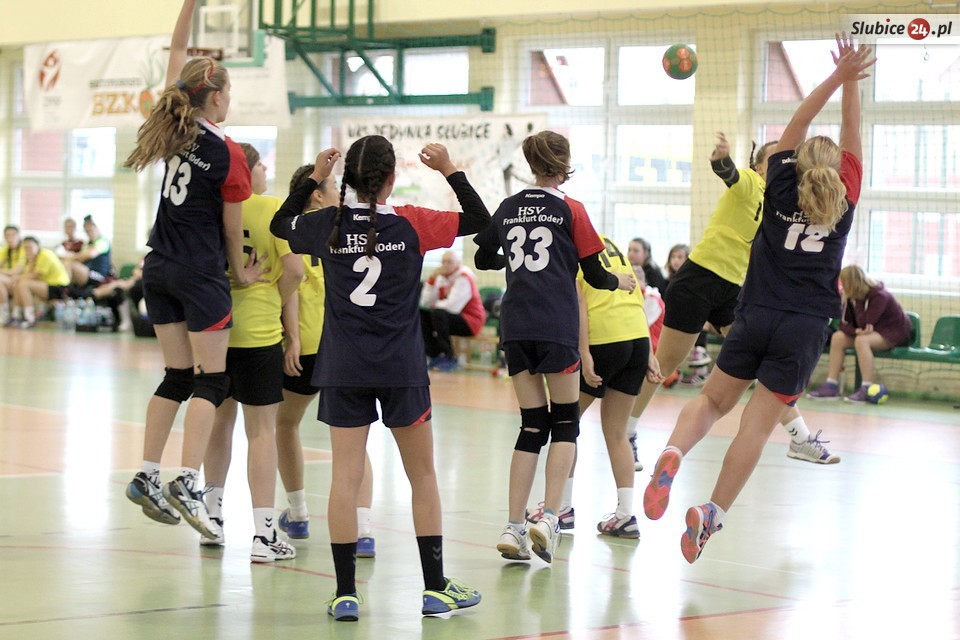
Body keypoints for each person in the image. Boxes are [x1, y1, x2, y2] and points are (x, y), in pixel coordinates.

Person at [642, 36, 874, 564]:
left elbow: (800, 119)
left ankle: (673, 451)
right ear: (839, 171)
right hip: (805, 324)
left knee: (711, 402)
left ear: (793, 162)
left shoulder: (779, 183)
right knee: (755, 426)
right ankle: (711, 513)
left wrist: (839, 78)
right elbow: (853, 132)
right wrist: (854, 88)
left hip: (756, 312)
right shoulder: (845, 196)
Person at [271, 137, 487, 621]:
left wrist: (313, 177)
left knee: (345, 477)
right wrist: (449, 169)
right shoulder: (412, 222)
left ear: (346, 179)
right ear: (391, 178)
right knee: (422, 475)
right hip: (401, 368)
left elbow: (280, 224)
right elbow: (479, 219)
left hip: (344, 368)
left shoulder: (326, 223)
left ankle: (346, 593)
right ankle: (435, 589)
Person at [122, 0, 261, 540]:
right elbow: (231, 230)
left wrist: (189, 6)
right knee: (213, 380)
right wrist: (241, 275)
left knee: (176, 376)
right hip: (200, 275)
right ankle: (185, 479)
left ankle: (146, 473)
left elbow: (176, 51)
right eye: (230, 93)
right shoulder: (229, 154)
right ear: (218, 97)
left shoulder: (171, 126)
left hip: (157, 266)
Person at [627, 130, 840, 467]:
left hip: (734, 291)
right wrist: (722, 160)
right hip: (699, 279)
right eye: (777, 157)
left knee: (758, 362)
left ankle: (800, 438)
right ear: (759, 165)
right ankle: (627, 432)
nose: (785, 163)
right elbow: (730, 175)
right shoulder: (751, 183)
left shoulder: (783, 201)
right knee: (665, 364)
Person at [473, 130, 635, 565]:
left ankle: (513, 526)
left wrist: (513, 259)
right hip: (556, 324)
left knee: (531, 425)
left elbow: (483, 258)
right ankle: (548, 518)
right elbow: (595, 274)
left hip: (516, 324)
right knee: (565, 422)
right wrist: (619, 281)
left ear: (530, 164)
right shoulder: (571, 209)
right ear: (564, 164)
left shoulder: (509, 206)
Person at [200, 143, 300, 562]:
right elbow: (295, 270)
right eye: (260, 166)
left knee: (219, 424)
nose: (264, 174)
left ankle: (211, 519)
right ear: (249, 170)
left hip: (215, 327)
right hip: (259, 331)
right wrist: (275, 297)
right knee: (260, 432)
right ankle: (263, 535)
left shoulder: (209, 208)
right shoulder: (271, 208)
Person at [273, 164, 378, 558]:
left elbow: (292, 283)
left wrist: (292, 336)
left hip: (307, 345)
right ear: (316, 193)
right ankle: (363, 530)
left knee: (285, 423)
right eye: (334, 185)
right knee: (354, 437)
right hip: (344, 345)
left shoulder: (295, 230)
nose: (340, 192)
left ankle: (298, 513)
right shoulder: (349, 228)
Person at [527, 235, 662, 539]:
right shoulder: (608, 244)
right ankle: (625, 515)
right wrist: (648, 351)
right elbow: (634, 295)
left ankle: (561, 508)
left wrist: (584, 352)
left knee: (566, 423)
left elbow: (579, 302)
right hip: (636, 338)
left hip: (604, 338)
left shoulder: (569, 247)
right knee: (617, 432)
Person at [807, 264, 912, 403]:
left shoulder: (879, 296)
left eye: (845, 284)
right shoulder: (852, 296)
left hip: (895, 332)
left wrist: (853, 302)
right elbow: (843, 325)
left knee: (861, 341)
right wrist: (855, 329)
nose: (842, 288)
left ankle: (866, 387)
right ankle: (831, 385)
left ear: (853, 284)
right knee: (838, 338)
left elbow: (866, 321)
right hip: (872, 332)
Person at [419, 249, 486, 371]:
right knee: (421, 313)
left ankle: (450, 357)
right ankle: (434, 354)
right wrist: (431, 280)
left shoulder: (464, 278)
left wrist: (434, 305)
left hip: (471, 322)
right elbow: (425, 302)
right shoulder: (440, 278)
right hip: (447, 318)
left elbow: (453, 307)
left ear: (457, 263)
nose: (445, 265)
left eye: (449, 262)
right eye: (443, 262)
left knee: (438, 313)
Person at [8, 237, 70, 329]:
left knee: (23, 284)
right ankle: (16, 315)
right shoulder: (33, 258)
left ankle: (29, 318)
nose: (27, 250)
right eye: (25, 248)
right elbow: (28, 274)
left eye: (30, 247)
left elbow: (35, 275)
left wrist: (17, 277)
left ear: (38, 246)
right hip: (48, 286)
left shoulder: (45, 255)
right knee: (19, 283)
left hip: (60, 288)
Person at [61, 215, 112, 289]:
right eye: (87, 231)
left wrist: (71, 257)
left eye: (90, 230)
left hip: (99, 275)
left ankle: (64, 289)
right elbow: (80, 258)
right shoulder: (87, 244)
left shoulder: (103, 241)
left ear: (96, 228)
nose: (89, 232)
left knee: (71, 264)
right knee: (66, 263)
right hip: (87, 271)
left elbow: (90, 254)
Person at [0, 225, 28, 325]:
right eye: (7, 235)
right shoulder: (5, 250)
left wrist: (2, 271)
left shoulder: (24, 249)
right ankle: (5, 313)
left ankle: (4, 314)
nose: (10, 238)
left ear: (18, 235)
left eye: (13, 235)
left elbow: (16, 271)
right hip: (8, 280)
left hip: (21, 280)